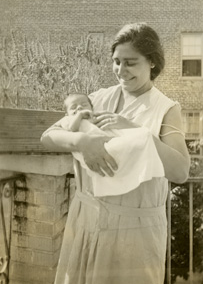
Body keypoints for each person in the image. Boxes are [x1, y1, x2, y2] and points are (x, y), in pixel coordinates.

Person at [41, 23, 190, 284]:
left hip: (134, 233)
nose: (121, 71)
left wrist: (137, 131)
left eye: (130, 63)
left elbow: (180, 171)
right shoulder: (97, 99)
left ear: (152, 62)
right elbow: (48, 137)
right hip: (86, 220)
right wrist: (84, 142)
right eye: (116, 61)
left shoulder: (165, 109)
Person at [46, 92, 164, 197]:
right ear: (66, 114)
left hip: (104, 140)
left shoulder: (93, 116)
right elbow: (72, 129)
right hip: (91, 148)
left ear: (92, 107)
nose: (80, 107)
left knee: (141, 137)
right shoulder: (68, 120)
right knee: (122, 150)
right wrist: (79, 115)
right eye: (73, 107)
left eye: (84, 104)